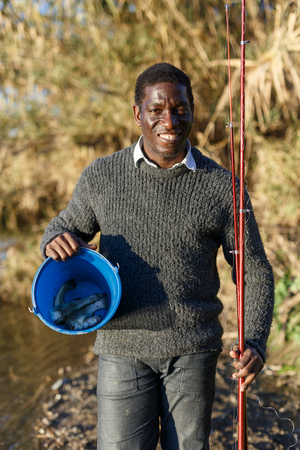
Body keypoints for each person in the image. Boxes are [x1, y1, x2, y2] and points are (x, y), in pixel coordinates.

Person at [41, 62, 274, 450]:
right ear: (138, 114)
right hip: (121, 345)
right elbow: (62, 229)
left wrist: (256, 341)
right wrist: (55, 240)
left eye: (180, 108)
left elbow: (253, 271)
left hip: (193, 350)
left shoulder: (223, 188)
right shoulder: (102, 176)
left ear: (192, 111)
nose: (170, 119)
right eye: (157, 109)